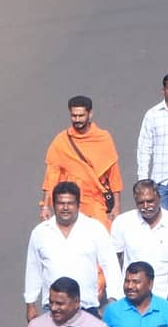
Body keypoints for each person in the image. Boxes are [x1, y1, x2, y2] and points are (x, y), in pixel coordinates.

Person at [25, 181, 123, 318]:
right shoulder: (40, 233)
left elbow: (110, 265)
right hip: (53, 310)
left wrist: (114, 300)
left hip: (87, 308)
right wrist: (30, 304)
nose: (65, 208)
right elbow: (33, 268)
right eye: (61, 203)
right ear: (53, 205)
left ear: (78, 205)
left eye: (70, 203)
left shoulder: (95, 229)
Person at [40, 96, 123, 228]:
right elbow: (51, 176)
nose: (77, 120)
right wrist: (45, 206)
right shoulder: (61, 141)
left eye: (81, 115)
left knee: (102, 238)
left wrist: (117, 206)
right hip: (70, 202)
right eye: (74, 116)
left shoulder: (103, 138)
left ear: (90, 114)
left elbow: (113, 175)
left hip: (96, 201)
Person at [111, 179, 168, 299]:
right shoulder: (122, 223)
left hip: (167, 298)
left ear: (159, 198)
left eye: (150, 201)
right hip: (132, 298)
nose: (146, 206)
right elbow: (113, 261)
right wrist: (114, 294)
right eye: (141, 203)